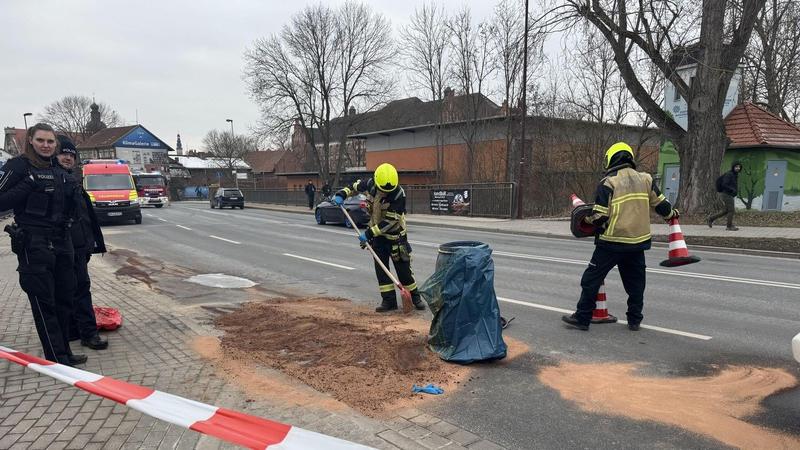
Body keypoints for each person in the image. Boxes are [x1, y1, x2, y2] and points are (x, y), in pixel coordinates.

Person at [562, 142, 679, 331]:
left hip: (611, 242)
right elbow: (661, 205)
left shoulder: (608, 182)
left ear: (611, 159)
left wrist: (586, 221)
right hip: (638, 243)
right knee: (636, 284)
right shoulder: (646, 179)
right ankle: (634, 320)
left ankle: (582, 318)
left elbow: (600, 216)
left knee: (591, 279)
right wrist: (672, 215)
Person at [0, 123, 87, 365]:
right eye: (41, 141)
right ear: (30, 141)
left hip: (62, 240)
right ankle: (56, 358)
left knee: (65, 298)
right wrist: (28, 185)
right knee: (44, 302)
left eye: (50, 142)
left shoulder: (58, 169)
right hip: (33, 243)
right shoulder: (17, 167)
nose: (46, 145)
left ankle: (65, 352)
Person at [333, 163, 425, 312]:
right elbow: (354, 186)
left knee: (404, 272)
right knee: (382, 271)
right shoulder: (371, 185)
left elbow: (389, 221)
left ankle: (415, 298)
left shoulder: (398, 195)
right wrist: (342, 194)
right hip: (378, 238)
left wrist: (368, 233)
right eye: (383, 190)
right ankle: (388, 301)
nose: (386, 193)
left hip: (396, 237)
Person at [55, 136, 108, 350]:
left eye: (71, 154)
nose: (67, 157)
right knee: (75, 290)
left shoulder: (72, 179)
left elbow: (85, 217)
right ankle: (86, 333)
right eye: (63, 153)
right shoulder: (56, 180)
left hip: (78, 247)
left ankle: (75, 330)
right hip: (65, 248)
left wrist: (92, 244)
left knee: (77, 289)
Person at [708, 161, 742, 231]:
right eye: (736, 167)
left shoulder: (735, 175)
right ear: (733, 167)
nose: (738, 168)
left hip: (729, 194)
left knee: (726, 211)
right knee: (731, 210)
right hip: (726, 194)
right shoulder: (729, 174)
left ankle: (711, 218)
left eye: (739, 167)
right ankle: (729, 226)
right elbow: (724, 184)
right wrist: (732, 190)